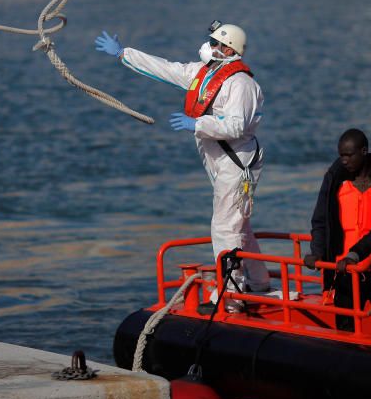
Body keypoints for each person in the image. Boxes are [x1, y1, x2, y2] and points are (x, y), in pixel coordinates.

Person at [95, 21, 270, 300]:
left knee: (225, 226)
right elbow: (167, 68)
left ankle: (231, 292)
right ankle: (260, 281)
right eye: (210, 42)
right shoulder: (205, 74)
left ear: (229, 49)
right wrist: (124, 54)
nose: (209, 47)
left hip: (237, 162)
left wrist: (198, 124)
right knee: (238, 224)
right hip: (220, 161)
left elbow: (237, 125)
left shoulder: (241, 84)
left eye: (215, 44)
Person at [303, 128, 371, 330]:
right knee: (345, 328)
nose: (344, 160)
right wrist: (317, 252)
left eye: (349, 155)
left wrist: (357, 254)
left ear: (364, 151)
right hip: (345, 271)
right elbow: (321, 220)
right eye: (341, 155)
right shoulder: (335, 180)